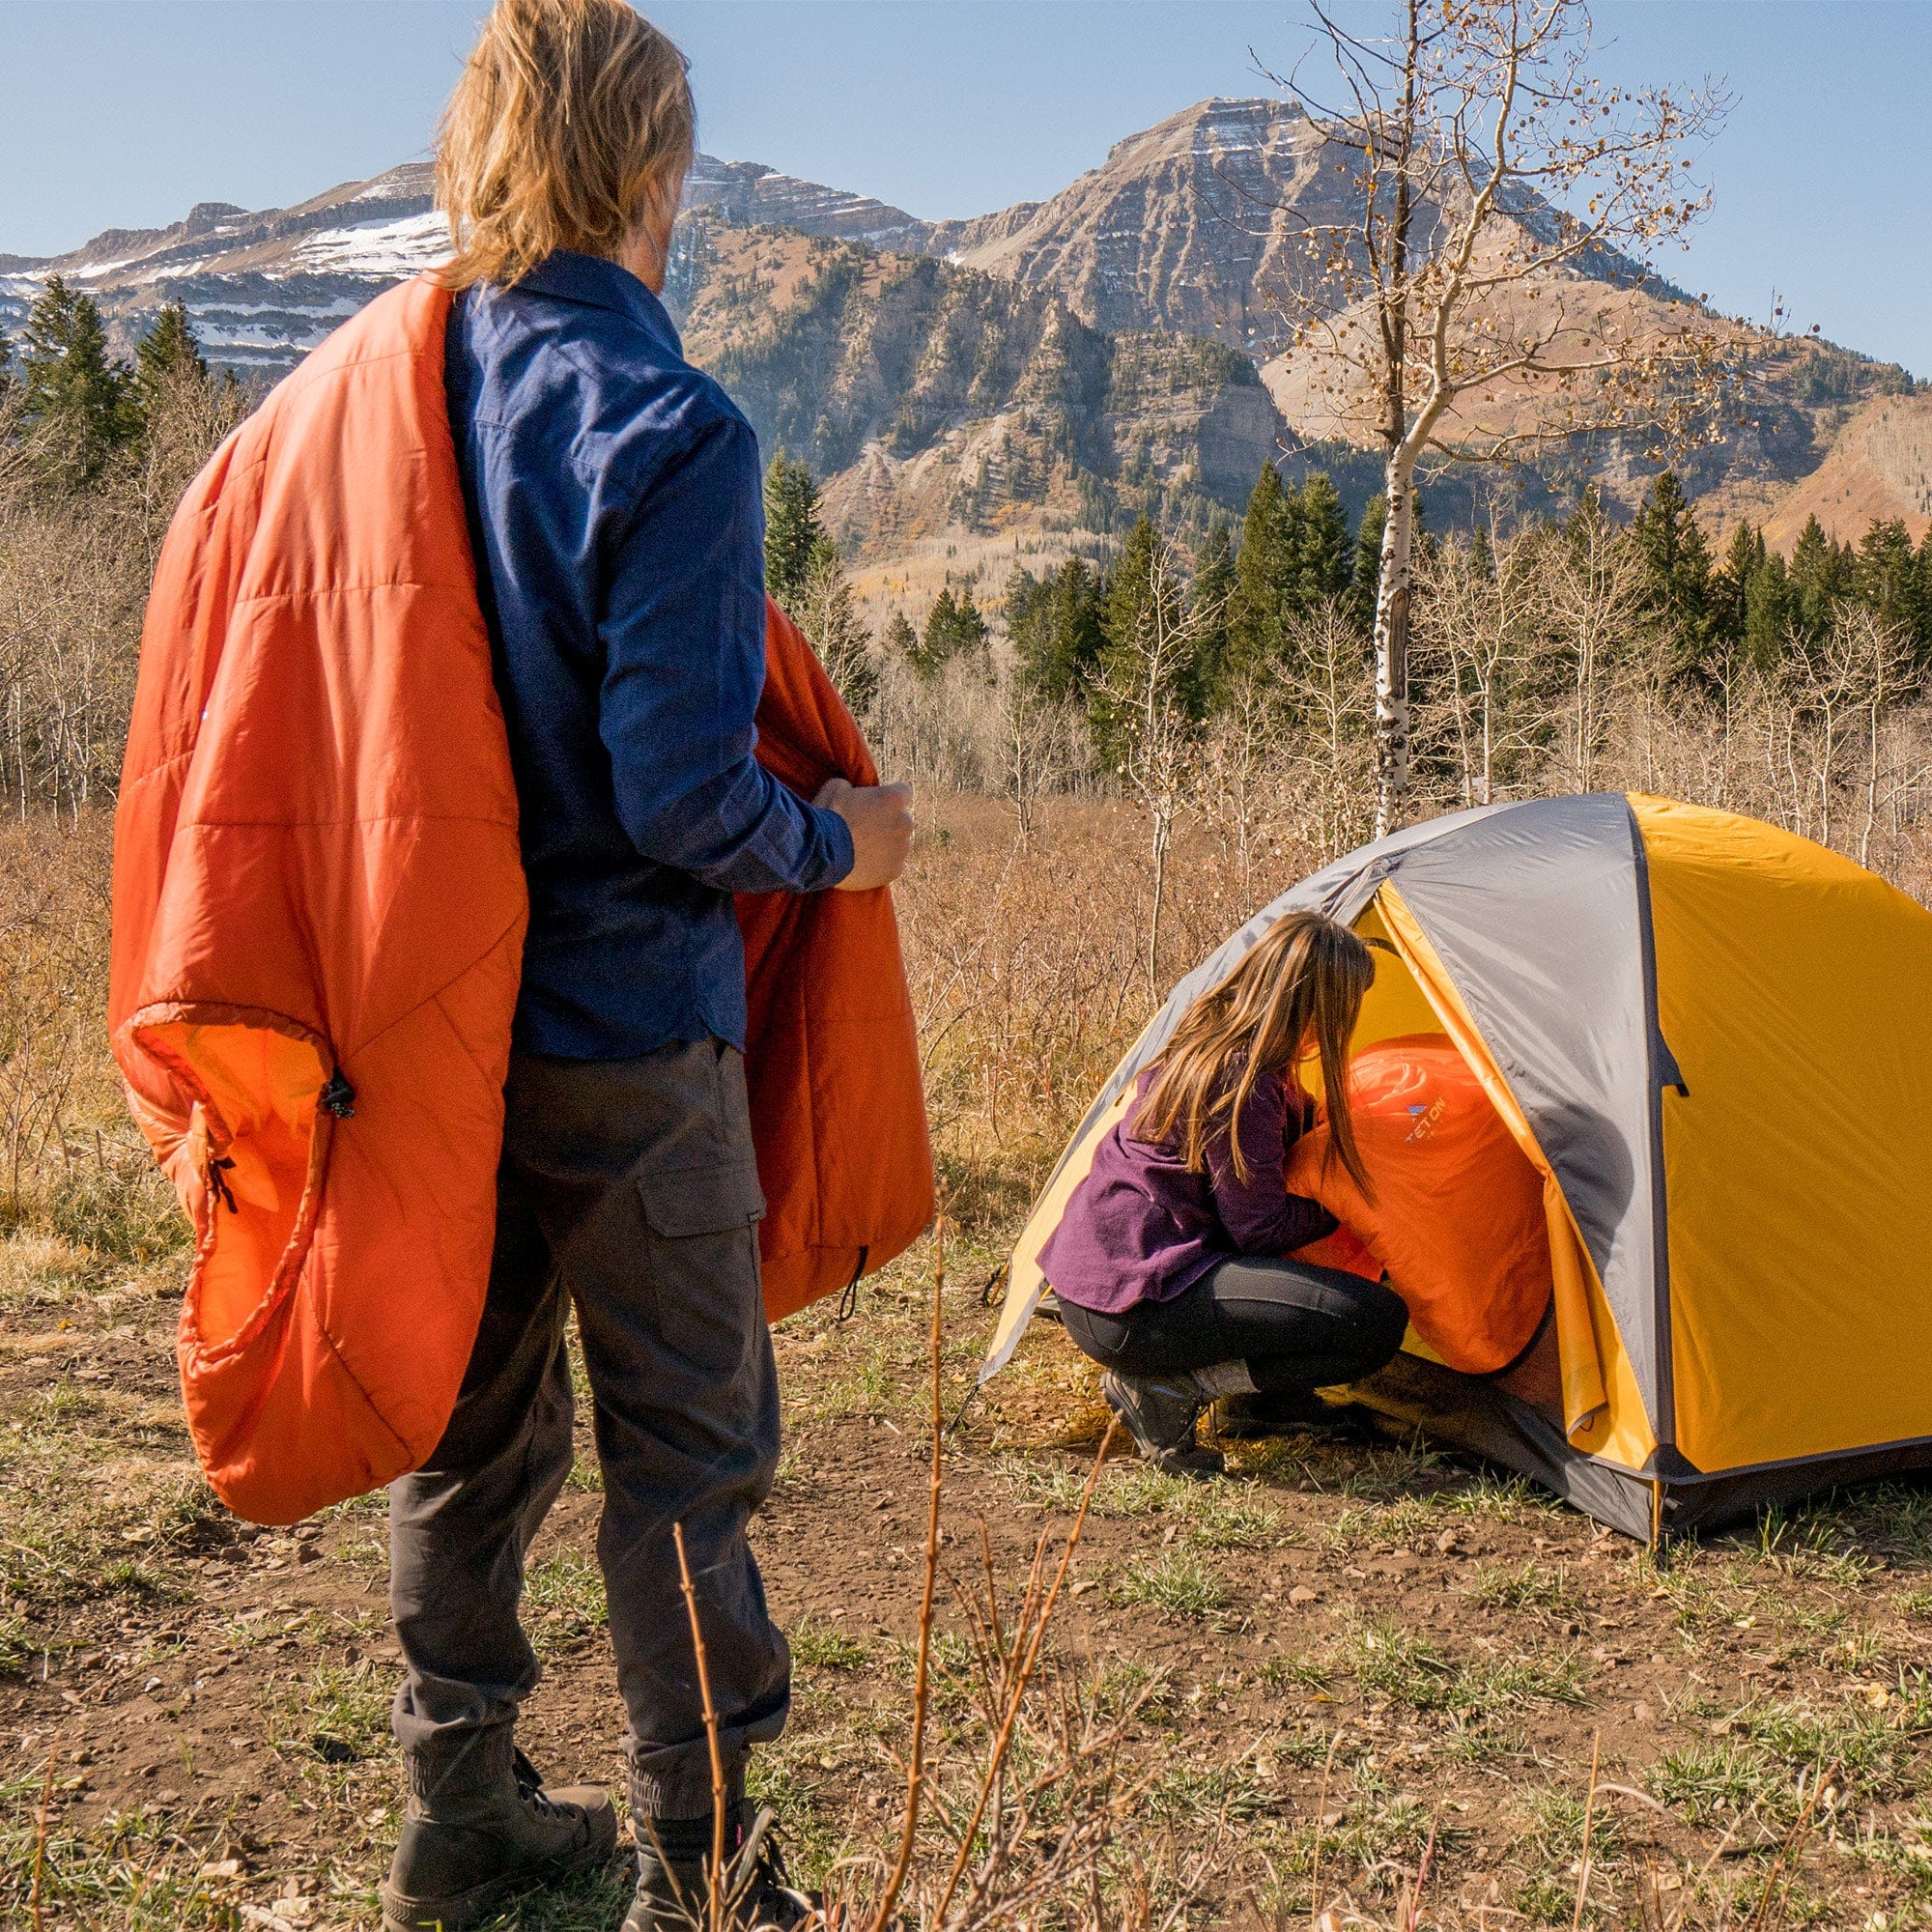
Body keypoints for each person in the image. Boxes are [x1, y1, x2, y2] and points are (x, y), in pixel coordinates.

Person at [379, 6, 915, 1930]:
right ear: (657, 174)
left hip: (435, 1041)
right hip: (629, 1038)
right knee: (686, 1463)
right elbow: (683, 797)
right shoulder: (674, 429)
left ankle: (461, 1818)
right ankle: (706, 1872)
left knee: (469, 1437)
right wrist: (841, 846)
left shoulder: (398, 412)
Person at [1038, 912, 1409, 1477]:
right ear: (1308, 1006)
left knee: (1306, 1286)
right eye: (1342, 1011)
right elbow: (1258, 1228)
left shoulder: (1218, 1043)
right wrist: (1352, 1207)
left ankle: (1265, 1401)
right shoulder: (1242, 1082)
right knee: (1372, 1323)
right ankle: (1171, 1389)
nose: (1342, 1028)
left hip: (1109, 1281)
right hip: (1139, 1300)